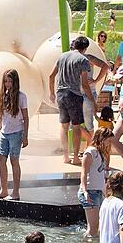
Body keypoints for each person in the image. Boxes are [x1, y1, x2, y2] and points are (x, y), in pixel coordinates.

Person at [49, 36, 95, 165]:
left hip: (60, 94)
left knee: (64, 126)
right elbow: (85, 84)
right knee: (76, 127)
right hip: (74, 95)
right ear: (85, 48)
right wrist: (92, 100)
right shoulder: (83, 60)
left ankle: (65, 156)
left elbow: (51, 76)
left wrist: (51, 93)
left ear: (74, 45)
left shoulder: (62, 56)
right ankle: (75, 157)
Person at [0, 69, 29, 200]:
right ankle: (4, 190)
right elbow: (1, 117)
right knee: (1, 160)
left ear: (15, 82)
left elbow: (26, 117)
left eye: (10, 81)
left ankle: (16, 192)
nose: (7, 84)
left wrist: (25, 136)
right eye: (5, 81)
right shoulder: (3, 95)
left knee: (14, 161)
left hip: (16, 132)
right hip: (4, 133)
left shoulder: (21, 96)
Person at [79, 128, 114, 238]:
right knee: (93, 229)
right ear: (101, 138)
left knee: (98, 227)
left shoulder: (100, 153)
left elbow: (100, 176)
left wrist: (106, 192)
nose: (109, 143)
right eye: (108, 140)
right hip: (90, 192)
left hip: (98, 192)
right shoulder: (90, 152)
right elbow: (84, 173)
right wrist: (85, 191)